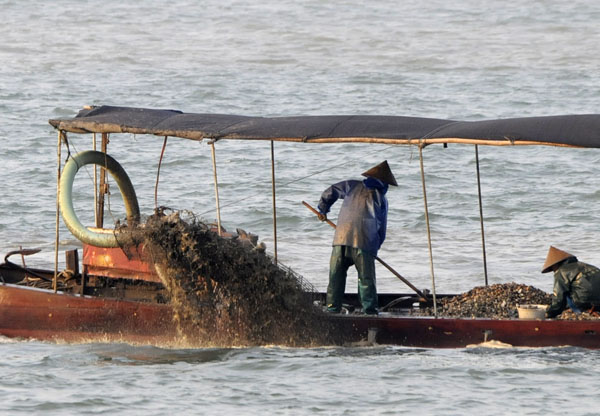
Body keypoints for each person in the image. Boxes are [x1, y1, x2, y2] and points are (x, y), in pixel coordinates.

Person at [316, 160, 397, 315]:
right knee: (366, 280)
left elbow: (330, 191)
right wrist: (375, 248)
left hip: (340, 239)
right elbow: (381, 228)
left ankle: (332, 309)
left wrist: (323, 209)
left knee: (335, 277)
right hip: (365, 243)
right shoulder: (381, 198)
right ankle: (370, 312)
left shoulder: (352, 186)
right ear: (384, 183)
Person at [541, 246, 600, 318]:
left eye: (552, 268)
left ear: (556, 264)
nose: (553, 271)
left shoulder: (561, 271)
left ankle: (580, 314)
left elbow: (559, 299)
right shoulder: (587, 266)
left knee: (564, 293)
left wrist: (549, 314)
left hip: (584, 302)